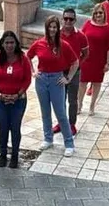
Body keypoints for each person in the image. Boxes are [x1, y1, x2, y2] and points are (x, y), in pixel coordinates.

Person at [29, 16, 77, 156]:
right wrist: (34, 71)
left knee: (60, 113)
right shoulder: (39, 43)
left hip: (57, 80)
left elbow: (75, 62)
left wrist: (68, 78)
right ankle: (48, 138)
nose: (52, 29)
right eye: (50, 26)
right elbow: (27, 56)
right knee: (45, 112)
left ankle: (69, 143)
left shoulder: (63, 45)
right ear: (46, 27)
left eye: (55, 27)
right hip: (42, 80)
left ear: (58, 28)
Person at [0, 31, 31, 168]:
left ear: (16, 44)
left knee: (15, 127)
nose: (9, 45)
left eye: (12, 42)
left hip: (18, 101)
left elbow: (27, 80)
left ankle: (15, 155)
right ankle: (2, 154)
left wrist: (17, 95)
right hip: (0, 100)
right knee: (4, 127)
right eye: (6, 42)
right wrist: (0, 94)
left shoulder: (23, 59)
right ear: (2, 44)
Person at [78, 4, 109, 115]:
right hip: (86, 59)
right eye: (96, 13)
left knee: (97, 83)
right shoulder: (88, 24)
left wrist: (108, 63)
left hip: (99, 61)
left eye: (100, 13)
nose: (98, 15)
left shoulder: (108, 28)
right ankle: (79, 105)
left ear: (104, 14)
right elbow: (81, 39)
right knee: (82, 83)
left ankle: (92, 106)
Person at [58, 6, 87, 132]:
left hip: (74, 72)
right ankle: (60, 123)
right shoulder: (56, 34)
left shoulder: (80, 36)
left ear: (75, 20)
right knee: (60, 100)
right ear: (62, 19)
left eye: (71, 19)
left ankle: (71, 124)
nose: (68, 21)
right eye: (66, 19)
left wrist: (77, 64)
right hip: (59, 72)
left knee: (72, 100)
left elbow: (86, 53)